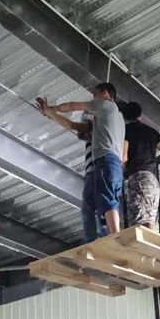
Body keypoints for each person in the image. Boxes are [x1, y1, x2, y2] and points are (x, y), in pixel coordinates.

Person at [40, 83, 126, 235]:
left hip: (106, 160)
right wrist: (51, 114)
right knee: (109, 201)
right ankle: (113, 235)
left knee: (108, 202)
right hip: (116, 166)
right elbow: (73, 125)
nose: (93, 100)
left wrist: (53, 108)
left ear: (105, 94)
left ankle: (116, 236)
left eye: (95, 95)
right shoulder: (116, 119)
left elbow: (74, 105)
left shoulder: (106, 105)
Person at [36, 97, 108, 243]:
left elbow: (73, 125)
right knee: (91, 209)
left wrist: (52, 113)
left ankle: (102, 238)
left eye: (87, 115)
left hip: (98, 170)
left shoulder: (100, 125)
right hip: (93, 171)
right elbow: (77, 127)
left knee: (96, 209)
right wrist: (52, 114)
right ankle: (96, 240)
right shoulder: (97, 132)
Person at [121, 101, 160, 231]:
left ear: (124, 117)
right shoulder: (151, 132)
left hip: (138, 179)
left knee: (140, 221)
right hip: (152, 180)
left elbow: (124, 157)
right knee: (150, 218)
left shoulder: (125, 132)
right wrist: (153, 161)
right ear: (139, 116)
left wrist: (123, 171)